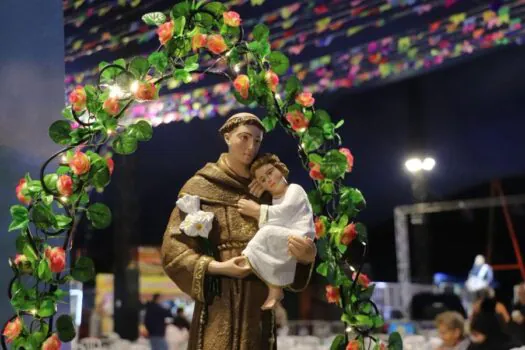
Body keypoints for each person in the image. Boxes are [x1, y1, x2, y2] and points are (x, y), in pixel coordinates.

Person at [161, 113, 316, 350]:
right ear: (227, 137)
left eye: (257, 140)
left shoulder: (268, 193)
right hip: (218, 304)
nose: (250, 146)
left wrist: (305, 257)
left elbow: (288, 243)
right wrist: (218, 267)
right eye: (244, 137)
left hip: (259, 306)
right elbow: (173, 251)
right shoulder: (201, 187)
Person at [236, 153, 315, 310]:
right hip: (285, 240)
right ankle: (275, 289)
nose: (269, 180)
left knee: (266, 233)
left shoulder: (294, 189)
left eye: (270, 172)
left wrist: (257, 210)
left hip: (300, 238)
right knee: (266, 232)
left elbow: (285, 212)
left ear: (280, 168)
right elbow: (270, 222)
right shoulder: (273, 201)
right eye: (262, 180)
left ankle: (246, 261)